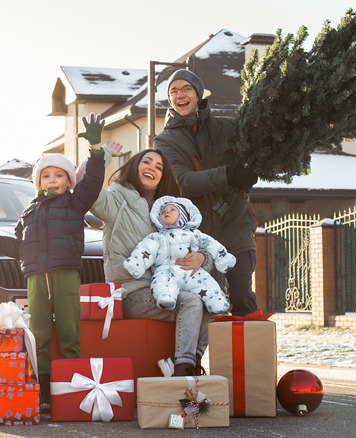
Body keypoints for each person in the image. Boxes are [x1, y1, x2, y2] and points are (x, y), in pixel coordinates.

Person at [0, 114, 106, 412]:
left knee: (68, 334)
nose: (53, 180)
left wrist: (96, 149)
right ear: (39, 181)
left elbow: (92, 182)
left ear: (68, 181)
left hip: (65, 276)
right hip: (36, 279)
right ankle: (45, 392)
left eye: (59, 175)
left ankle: (72, 389)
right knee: (40, 335)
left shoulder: (75, 203)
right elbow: (19, 247)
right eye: (46, 176)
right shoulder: (28, 213)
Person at [81, 147, 214, 377]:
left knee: (208, 300)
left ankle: (191, 361)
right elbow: (87, 188)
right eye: (147, 162)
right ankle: (184, 370)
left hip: (169, 287)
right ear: (135, 165)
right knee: (191, 302)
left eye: (159, 167)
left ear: (163, 177)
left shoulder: (170, 211)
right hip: (132, 293)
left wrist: (203, 258)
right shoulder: (117, 200)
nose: (152, 167)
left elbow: (199, 244)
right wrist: (100, 155)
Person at [154, 69, 259, 317]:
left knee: (243, 297)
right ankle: (198, 356)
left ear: (198, 94)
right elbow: (184, 183)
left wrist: (250, 171)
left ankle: (249, 354)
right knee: (205, 304)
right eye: (174, 91)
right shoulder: (165, 141)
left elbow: (256, 151)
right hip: (197, 238)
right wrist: (227, 174)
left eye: (186, 89)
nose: (180, 95)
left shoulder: (228, 128)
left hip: (236, 229)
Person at [123, 195, 235, 314]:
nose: (167, 212)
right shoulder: (157, 237)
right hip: (167, 271)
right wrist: (137, 263)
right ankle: (166, 298)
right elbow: (146, 249)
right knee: (162, 282)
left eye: (172, 210)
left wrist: (223, 258)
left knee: (207, 283)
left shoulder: (194, 234)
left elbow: (211, 244)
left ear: (183, 215)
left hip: (192, 272)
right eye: (163, 211)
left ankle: (217, 303)